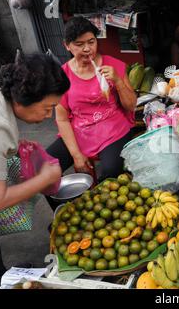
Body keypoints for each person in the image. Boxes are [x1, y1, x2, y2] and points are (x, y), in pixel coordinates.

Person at [0, 53, 70, 289]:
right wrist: (44, 179)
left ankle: (0, 276)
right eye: (48, 107)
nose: (49, 116)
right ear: (23, 98)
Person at [46, 17, 137, 211]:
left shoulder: (114, 66)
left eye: (91, 42)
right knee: (44, 172)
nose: (87, 49)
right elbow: (62, 119)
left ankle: (105, 213)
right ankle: (65, 212)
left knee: (111, 170)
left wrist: (118, 82)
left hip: (112, 128)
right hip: (79, 130)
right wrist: (76, 154)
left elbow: (131, 106)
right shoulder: (62, 76)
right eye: (79, 45)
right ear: (67, 46)